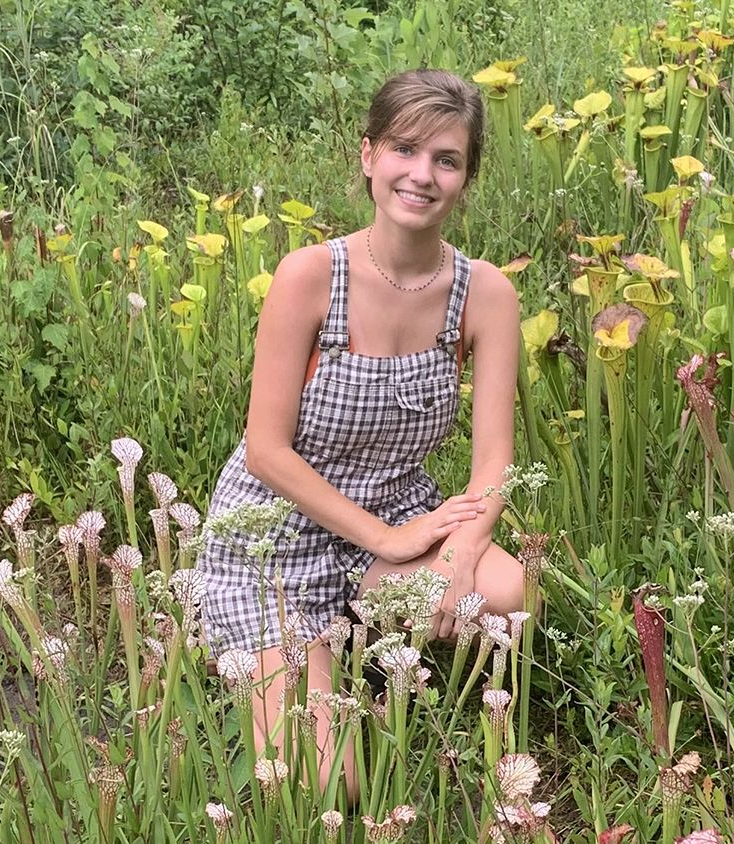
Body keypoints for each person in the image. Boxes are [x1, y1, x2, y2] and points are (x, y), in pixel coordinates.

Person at [196, 68, 525, 799]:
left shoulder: (486, 294)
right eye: (405, 150)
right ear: (368, 154)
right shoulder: (311, 276)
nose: (422, 174)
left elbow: (494, 459)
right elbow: (265, 450)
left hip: (398, 516)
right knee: (328, 786)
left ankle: (351, 640)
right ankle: (290, 658)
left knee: (504, 589)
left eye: (447, 159)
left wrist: (462, 553)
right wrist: (389, 540)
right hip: (272, 539)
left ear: (466, 178)